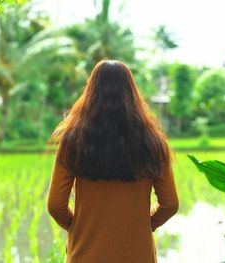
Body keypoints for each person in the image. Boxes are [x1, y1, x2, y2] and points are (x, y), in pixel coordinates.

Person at [47, 59, 179, 263]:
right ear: (132, 92)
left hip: (85, 254)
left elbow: (56, 205)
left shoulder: (74, 140)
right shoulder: (152, 142)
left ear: (91, 92)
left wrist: (79, 227)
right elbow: (170, 204)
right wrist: (144, 224)